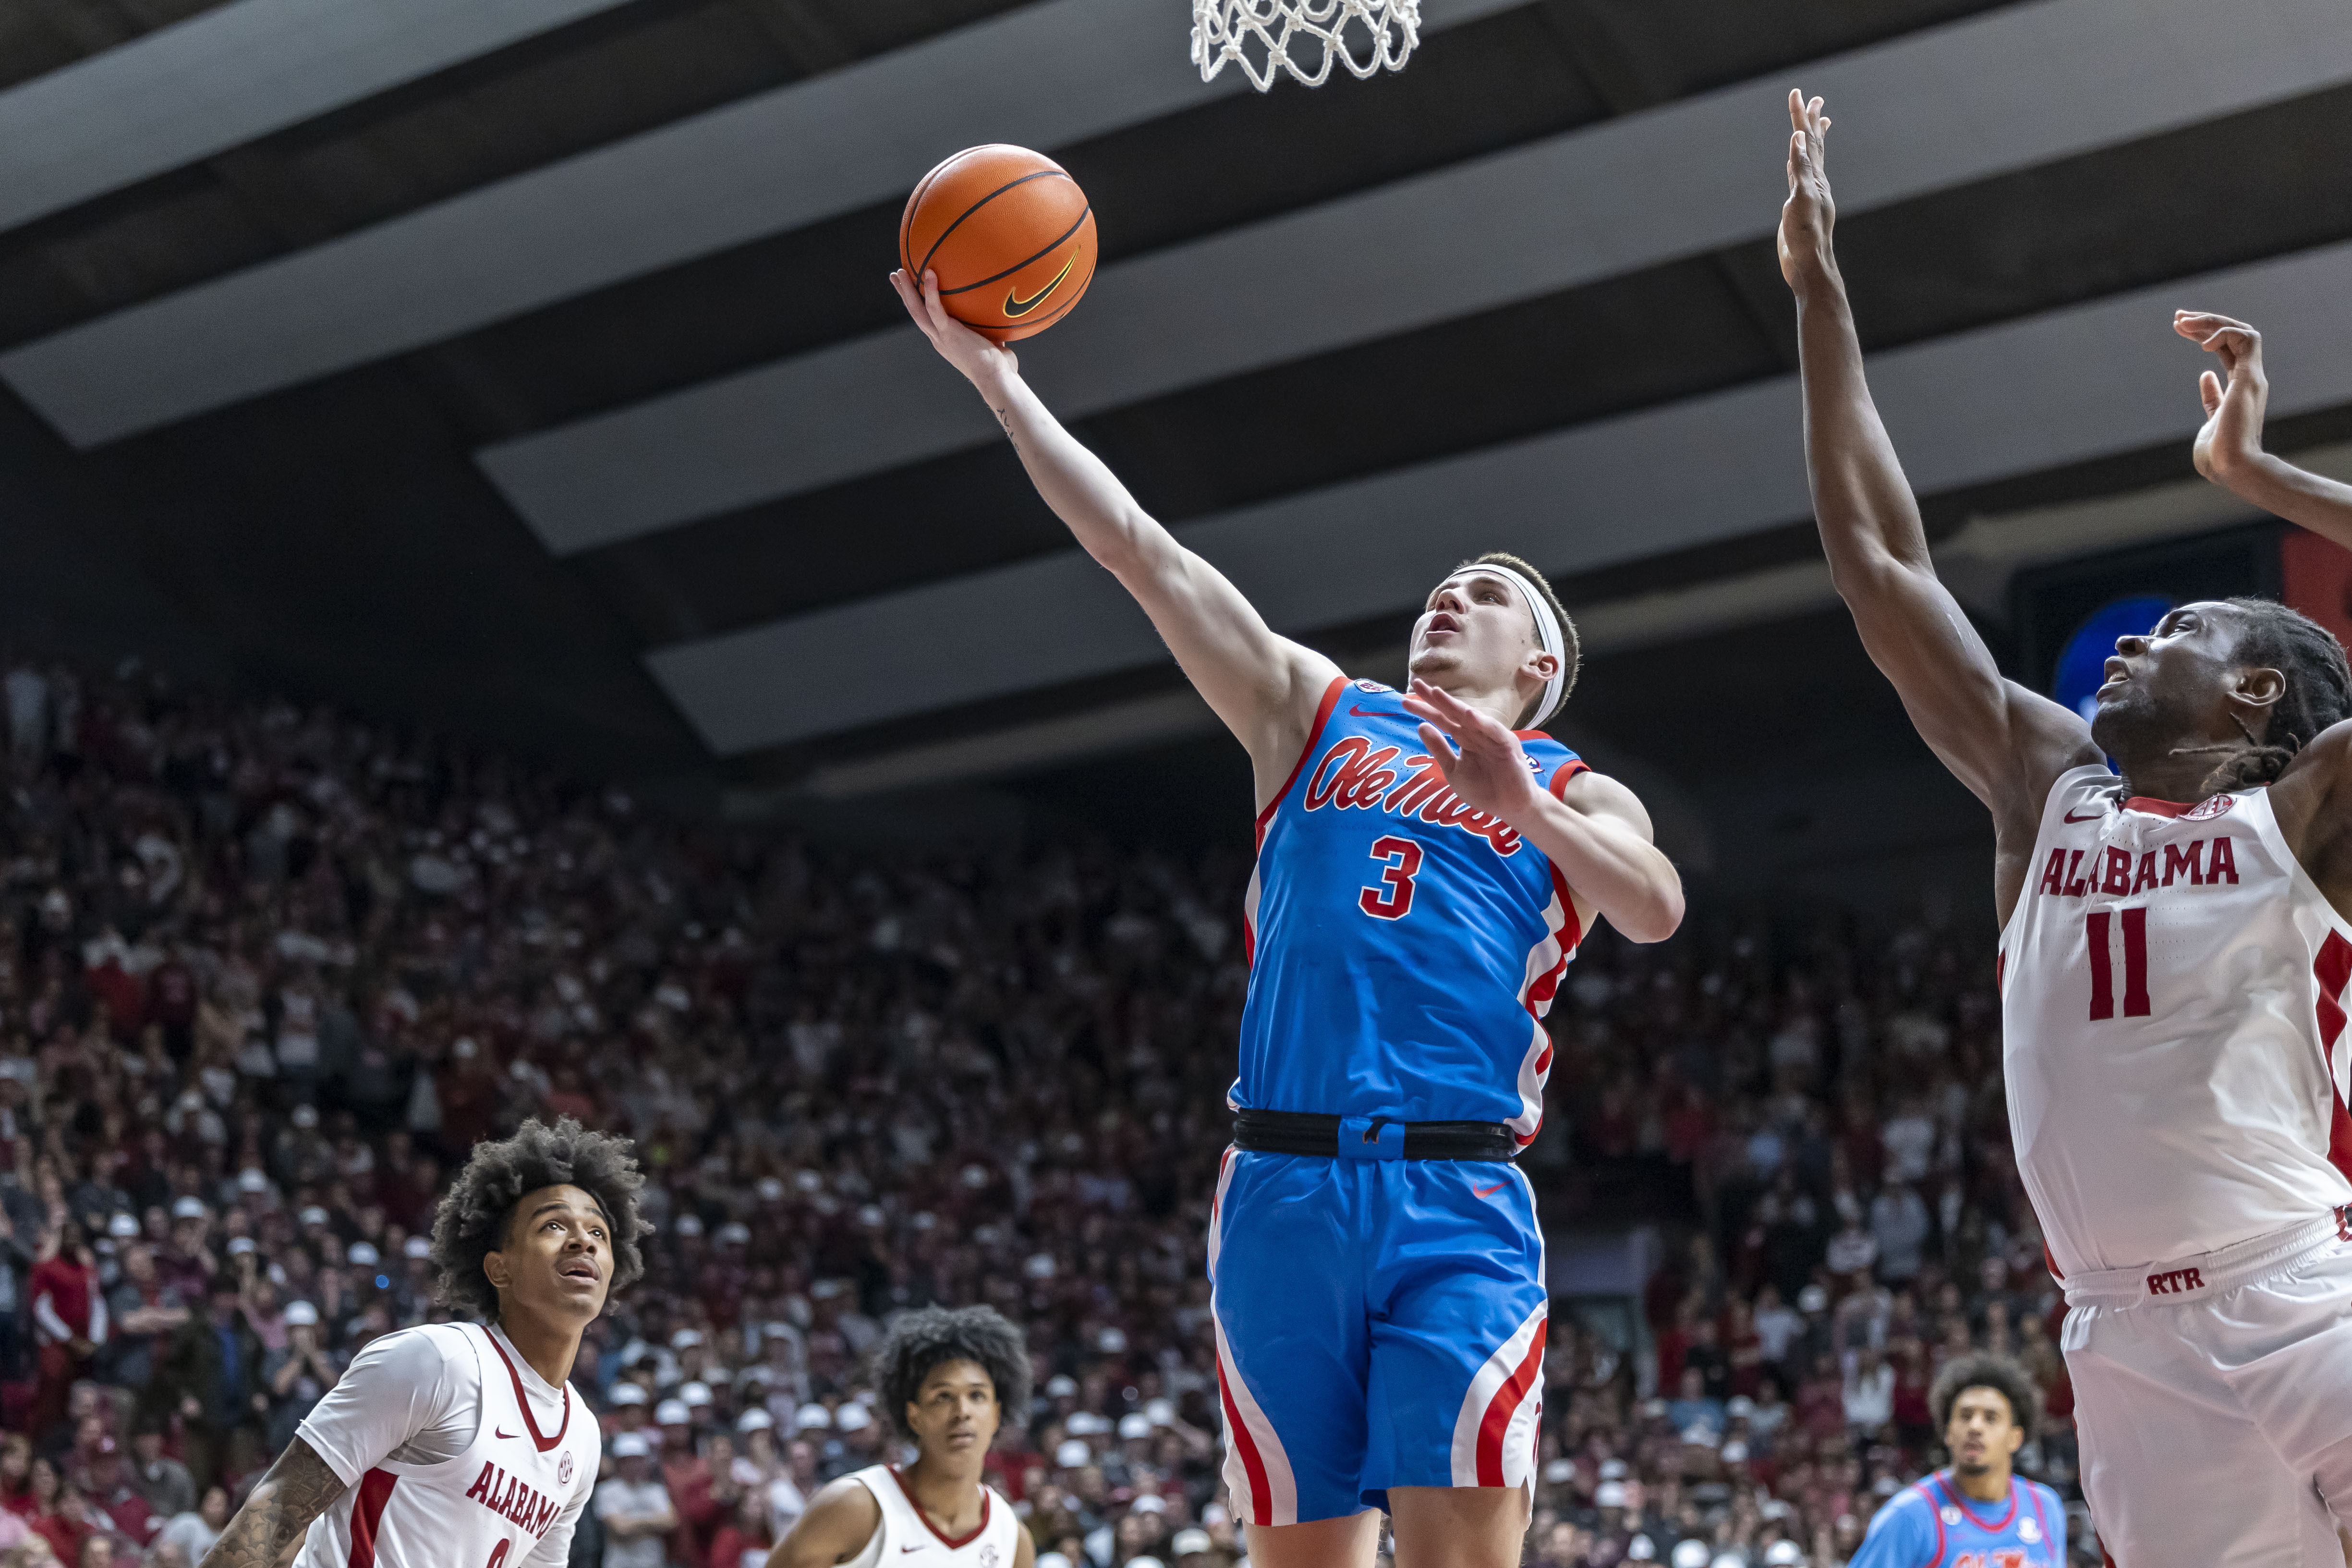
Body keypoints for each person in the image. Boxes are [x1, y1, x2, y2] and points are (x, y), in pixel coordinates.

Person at [892, 242, 1685, 1568]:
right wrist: (1002, 386)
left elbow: (1655, 907)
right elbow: (1140, 554)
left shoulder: (1568, 782)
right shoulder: (1313, 713)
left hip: (1454, 1190)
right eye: (1444, 585)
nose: (1450, 594)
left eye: (1485, 595)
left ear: (1537, 662)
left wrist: (1525, 806)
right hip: (1279, 1183)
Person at [1778, 88, 2352, 1560]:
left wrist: (2261, 481)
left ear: (2254, 691)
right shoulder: (2050, 789)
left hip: (2303, 1300)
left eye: (2170, 626)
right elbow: (1879, 559)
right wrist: (1819, 291)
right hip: (2122, 1356)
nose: (2121, 645)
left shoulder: (2309, 817)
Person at [191, 1118, 642, 1568]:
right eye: (553, 1226)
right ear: (500, 1269)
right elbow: (273, 1512)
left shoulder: (582, 1436)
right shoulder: (437, 1361)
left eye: (598, 1232)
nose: (583, 1240)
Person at [768, 1304, 1030, 1568]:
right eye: (943, 1397)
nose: (962, 1412)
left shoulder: (1012, 1538)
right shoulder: (854, 1506)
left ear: (997, 1413)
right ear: (914, 1414)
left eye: (977, 1396)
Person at [1846, 1355, 2063, 1567]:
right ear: (1948, 1432)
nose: (1975, 1427)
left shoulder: (2046, 1507)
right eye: (1965, 1416)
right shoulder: (1909, 1516)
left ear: (2015, 1438)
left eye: (1991, 1418)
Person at [593, 1434, 674, 1568]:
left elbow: (671, 1521)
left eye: (639, 1460)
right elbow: (621, 1528)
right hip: (620, 1564)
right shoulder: (606, 1491)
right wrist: (654, 1522)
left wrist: (631, 1520)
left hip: (653, 1563)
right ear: (619, 1463)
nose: (634, 1465)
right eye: (628, 1461)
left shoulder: (656, 1490)